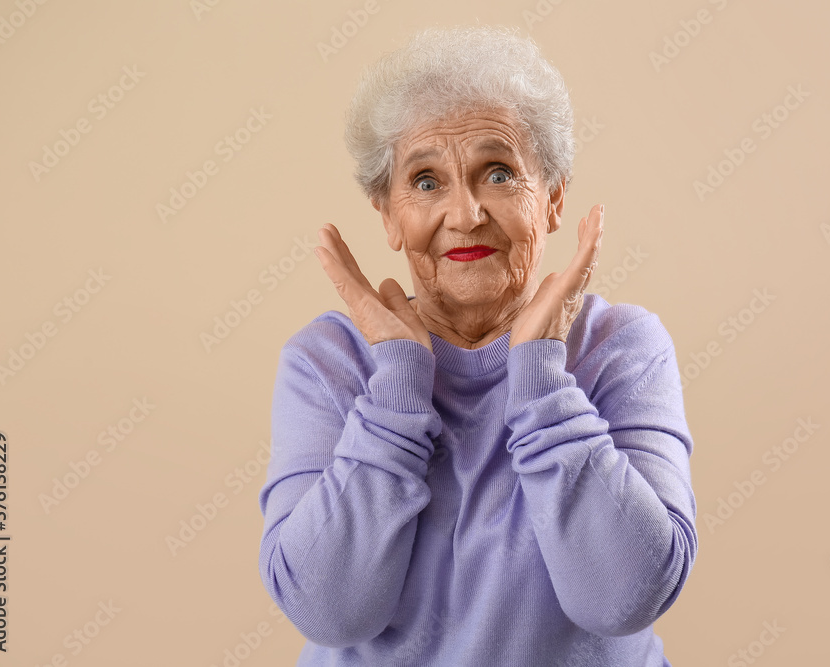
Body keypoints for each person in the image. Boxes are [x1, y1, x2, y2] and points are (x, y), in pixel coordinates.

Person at [258, 24, 697, 666]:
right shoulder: (327, 361)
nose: (464, 215)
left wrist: (541, 378)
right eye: (427, 181)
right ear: (388, 214)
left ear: (552, 198)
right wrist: (398, 388)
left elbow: (623, 599)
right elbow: (329, 610)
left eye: (497, 172)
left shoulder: (623, 346)